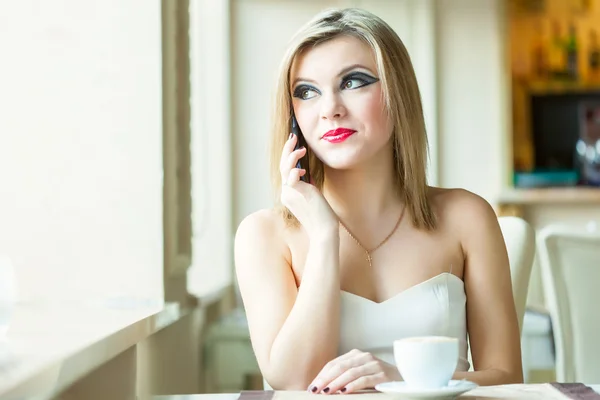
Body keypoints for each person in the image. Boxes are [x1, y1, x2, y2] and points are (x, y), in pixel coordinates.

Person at [234, 7, 523, 394]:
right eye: (306, 91)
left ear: (397, 93)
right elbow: (294, 383)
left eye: (353, 82)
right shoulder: (263, 235)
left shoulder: (467, 218)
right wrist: (323, 237)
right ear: (292, 117)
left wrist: (405, 379)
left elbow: (508, 380)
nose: (330, 108)